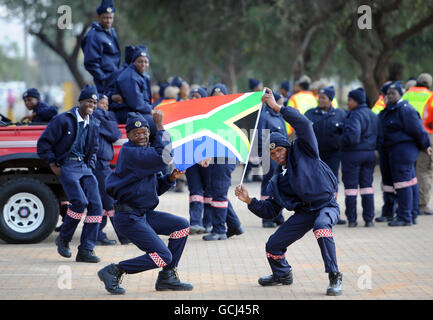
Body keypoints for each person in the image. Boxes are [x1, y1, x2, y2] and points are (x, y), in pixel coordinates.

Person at [235, 88, 342, 296]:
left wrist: (277, 107)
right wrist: (249, 201)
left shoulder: (305, 150)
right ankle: (282, 274)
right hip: (304, 212)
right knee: (273, 245)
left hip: (326, 206)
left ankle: (334, 276)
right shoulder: (277, 179)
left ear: (287, 147)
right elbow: (270, 210)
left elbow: (304, 124)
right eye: (272, 154)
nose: (276, 155)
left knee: (321, 227)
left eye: (280, 150)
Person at [98, 111, 193, 294]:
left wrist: (171, 177)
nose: (141, 136)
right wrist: (159, 127)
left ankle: (167, 277)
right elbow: (164, 156)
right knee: (163, 255)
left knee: (181, 226)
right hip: (128, 217)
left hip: (143, 214)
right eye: (136, 133)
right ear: (129, 136)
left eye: (144, 132)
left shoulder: (144, 153)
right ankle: (115, 270)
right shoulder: (132, 153)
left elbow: (155, 189)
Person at [37, 85, 103, 263]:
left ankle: (86, 250)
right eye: (89, 101)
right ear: (80, 101)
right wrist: (53, 164)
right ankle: (64, 239)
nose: (92, 105)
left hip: (84, 166)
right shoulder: (63, 119)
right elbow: (43, 144)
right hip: (67, 165)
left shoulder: (94, 123)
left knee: (96, 206)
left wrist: (90, 164)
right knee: (80, 202)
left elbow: (94, 148)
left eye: (95, 102)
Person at [379, 81, 433, 226]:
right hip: (395, 151)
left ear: (400, 94)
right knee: (409, 182)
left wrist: (426, 145)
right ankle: (411, 214)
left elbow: (418, 131)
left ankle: (405, 217)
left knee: (403, 184)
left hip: (403, 151)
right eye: (388, 93)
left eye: (393, 93)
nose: (390, 96)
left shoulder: (405, 110)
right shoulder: (392, 109)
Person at [203, 84, 245, 241]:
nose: (217, 99)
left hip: (226, 157)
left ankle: (219, 230)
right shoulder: (211, 115)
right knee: (216, 191)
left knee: (218, 191)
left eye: (220, 96)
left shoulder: (230, 115)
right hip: (217, 157)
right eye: (214, 96)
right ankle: (235, 226)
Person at [305, 86, 347, 225]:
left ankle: (332, 212)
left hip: (333, 156)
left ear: (330, 99)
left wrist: (339, 144)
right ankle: (314, 212)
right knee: (315, 183)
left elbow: (346, 133)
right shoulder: (310, 114)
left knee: (332, 183)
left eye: (323, 97)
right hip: (314, 156)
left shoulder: (340, 114)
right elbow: (302, 131)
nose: (320, 100)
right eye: (319, 97)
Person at [92, 94, 130, 245]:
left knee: (102, 200)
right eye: (102, 103)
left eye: (107, 105)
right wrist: (109, 117)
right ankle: (122, 236)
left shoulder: (100, 116)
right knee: (109, 198)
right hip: (100, 164)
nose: (104, 107)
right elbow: (115, 133)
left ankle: (98, 234)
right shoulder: (99, 115)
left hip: (100, 163)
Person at [340, 88, 379, 228]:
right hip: (369, 154)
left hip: (353, 154)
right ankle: (369, 219)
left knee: (351, 188)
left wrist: (340, 139)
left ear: (356, 101)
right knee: (367, 186)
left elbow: (352, 137)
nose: (348, 103)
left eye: (350, 100)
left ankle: (352, 220)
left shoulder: (355, 115)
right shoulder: (373, 114)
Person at [402, 73, 433, 215]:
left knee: (409, 171)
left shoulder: (406, 96)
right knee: (424, 171)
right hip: (426, 138)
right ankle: (421, 204)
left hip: (406, 139)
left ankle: (408, 203)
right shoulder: (430, 97)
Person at [110, 45, 156, 137]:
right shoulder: (130, 76)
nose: (143, 64)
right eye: (140, 61)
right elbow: (136, 103)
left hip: (137, 111)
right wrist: (150, 110)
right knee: (155, 124)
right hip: (126, 113)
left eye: (146, 62)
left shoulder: (142, 75)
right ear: (134, 62)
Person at [257, 91, 286, 228]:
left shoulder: (279, 116)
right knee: (268, 183)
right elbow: (261, 136)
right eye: (279, 101)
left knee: (279, 184)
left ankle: (278, 215)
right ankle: (266, 217)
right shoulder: (265, 116)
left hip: (281, 157)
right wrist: (263, 154)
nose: (281, 104)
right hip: (269, 155)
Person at [185, 87, 213, 234]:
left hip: (206, 158)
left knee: (209, 189)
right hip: (190, 157)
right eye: (193, 95)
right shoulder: (184, 114)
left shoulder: (209, 115)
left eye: (198, 95)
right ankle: (195, 222)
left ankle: (208, 223)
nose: (195, 98)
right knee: (195, 189)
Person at [81, 0, 121, 95]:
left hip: (115, 79)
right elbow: (90, 63)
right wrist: (103, 79)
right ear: (98, 17)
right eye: (105, 18)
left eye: (111, 18)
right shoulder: (93, 35)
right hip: (105, 83)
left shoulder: (111, 32)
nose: (108, 21)